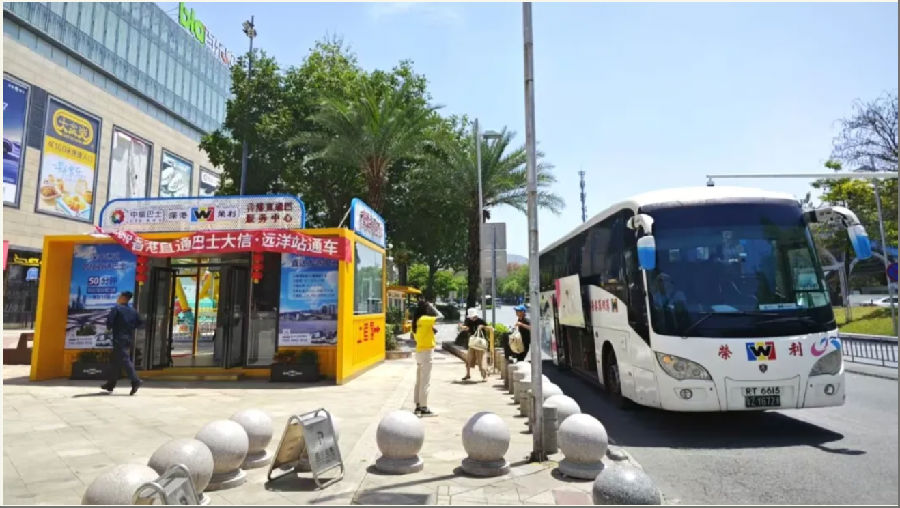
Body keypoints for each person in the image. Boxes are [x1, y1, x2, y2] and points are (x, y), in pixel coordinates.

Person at [101, 291, 144, 395]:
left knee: (124, 359)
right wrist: (130, 327)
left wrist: (109, 328)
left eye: (119, 296)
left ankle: (136, 380)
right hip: (128, 338)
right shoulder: (133, 311)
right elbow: (140, 323)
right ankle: (110, 384)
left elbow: (109, 322)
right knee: (116, 361)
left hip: (118, 338)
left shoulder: (117, 308)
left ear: (123, 298)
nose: (118, 298)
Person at [413, 304, 439, 416]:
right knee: (425, 381)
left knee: (419, 380)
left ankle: (418, 405)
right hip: (426, 352)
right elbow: (441, 317)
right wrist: (433, 307)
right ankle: (424, 408)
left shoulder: (416, 321)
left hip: (419, 351)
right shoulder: (425, 319)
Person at [459, 308, 488, 382]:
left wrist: (482, 326)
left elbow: (488, 328)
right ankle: (468, 374)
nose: (472, 318)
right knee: (468, 359)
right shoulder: (468, 320)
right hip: (472, 342)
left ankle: (485, 376)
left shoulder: (480, 321)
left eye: (473, 317)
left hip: (480, 343)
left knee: (481, 360)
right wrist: (463, 327)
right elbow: (467, 328)